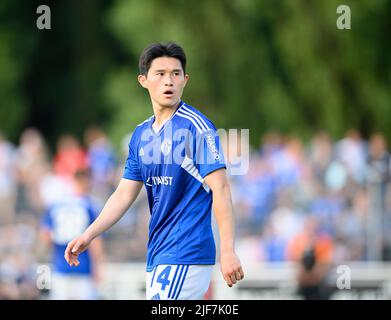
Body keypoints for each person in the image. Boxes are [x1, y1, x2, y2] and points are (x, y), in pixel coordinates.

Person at [65, 42, 244, 300]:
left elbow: (221, 188)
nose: (168, 81)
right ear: (143, 80)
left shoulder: (197, 128)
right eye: (160, 74)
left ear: (185, 80)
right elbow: (124, 195)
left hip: (186, 251)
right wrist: (89, 234)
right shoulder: (141, 135)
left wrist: (227, 250)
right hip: (159, 254)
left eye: (175, 74)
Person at [40, 168, 104, 299]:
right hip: (83, 268)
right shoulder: (89, 205)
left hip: (60, 267)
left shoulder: (56, 204)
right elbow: (96, 242)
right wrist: (98, 267)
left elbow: (45, 236)